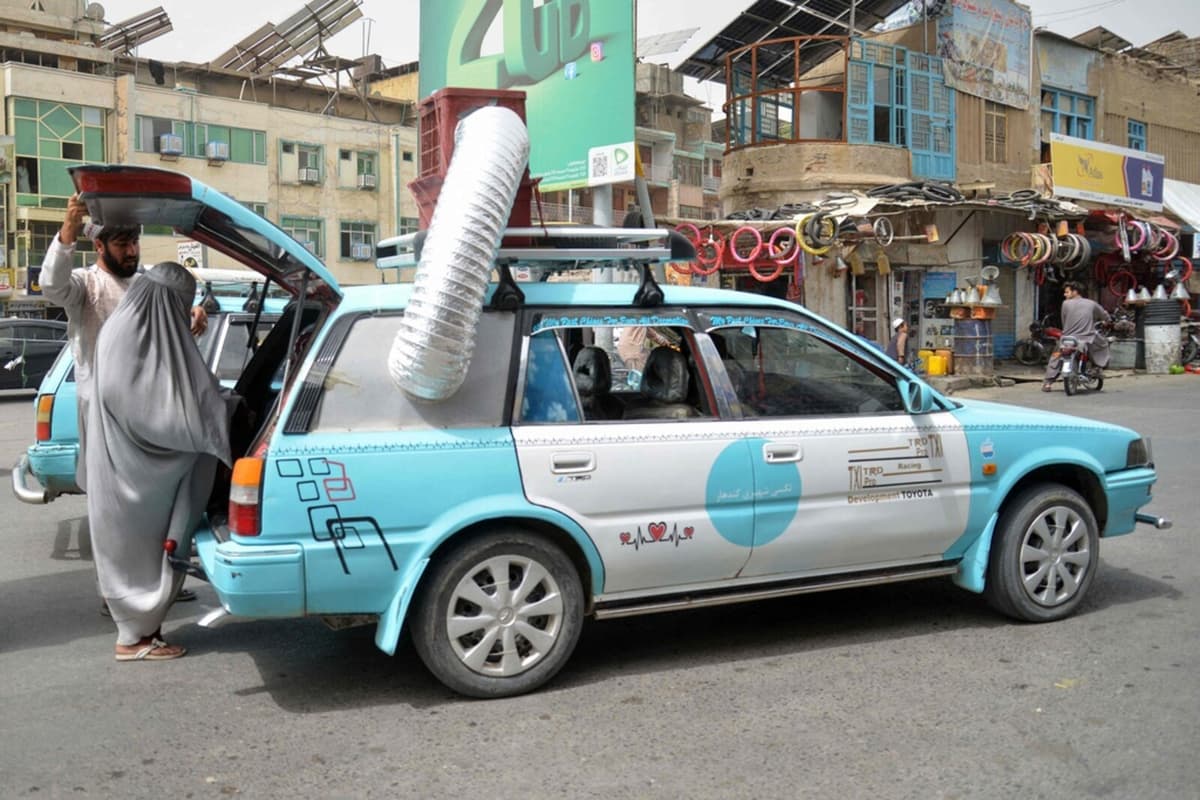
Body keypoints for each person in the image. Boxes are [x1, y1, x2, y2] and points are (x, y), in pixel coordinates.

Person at [40, 194, 207, 611]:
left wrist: (194, 316)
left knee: (157, 503)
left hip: (150, 414)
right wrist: (67, 232)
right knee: (115, 510)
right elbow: (51, 286)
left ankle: (160, 579)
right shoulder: (86, 285)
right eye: (122, 244)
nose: (131, 251)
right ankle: (117, 594)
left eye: (134, 242)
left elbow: (170, 334)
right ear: (99, 246)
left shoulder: (148, 283)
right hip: (104, 418)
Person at [86, 262, 236, 661]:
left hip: (127, 475)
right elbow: (155, 414)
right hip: (132, 482)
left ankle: (142, 633)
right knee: (137, 556)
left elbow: (167, 384)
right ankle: (135, 639)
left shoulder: (132, 330)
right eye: (180, 304)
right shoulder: (127, 340)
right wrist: (214, 413)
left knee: (141, 554)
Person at [1043, 281, 1111, 391]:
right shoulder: (1092, 304)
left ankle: (1048, 383)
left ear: (1075, 292)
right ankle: (1097, 367)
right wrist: (1107, 321)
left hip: (1067, 338)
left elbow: (1064, 321)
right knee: (1103, 344)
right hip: (1086, 338)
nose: (1065, 295)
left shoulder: (1065, 304)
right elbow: (1104, 315)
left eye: (1067, 292)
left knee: (1056, 356)